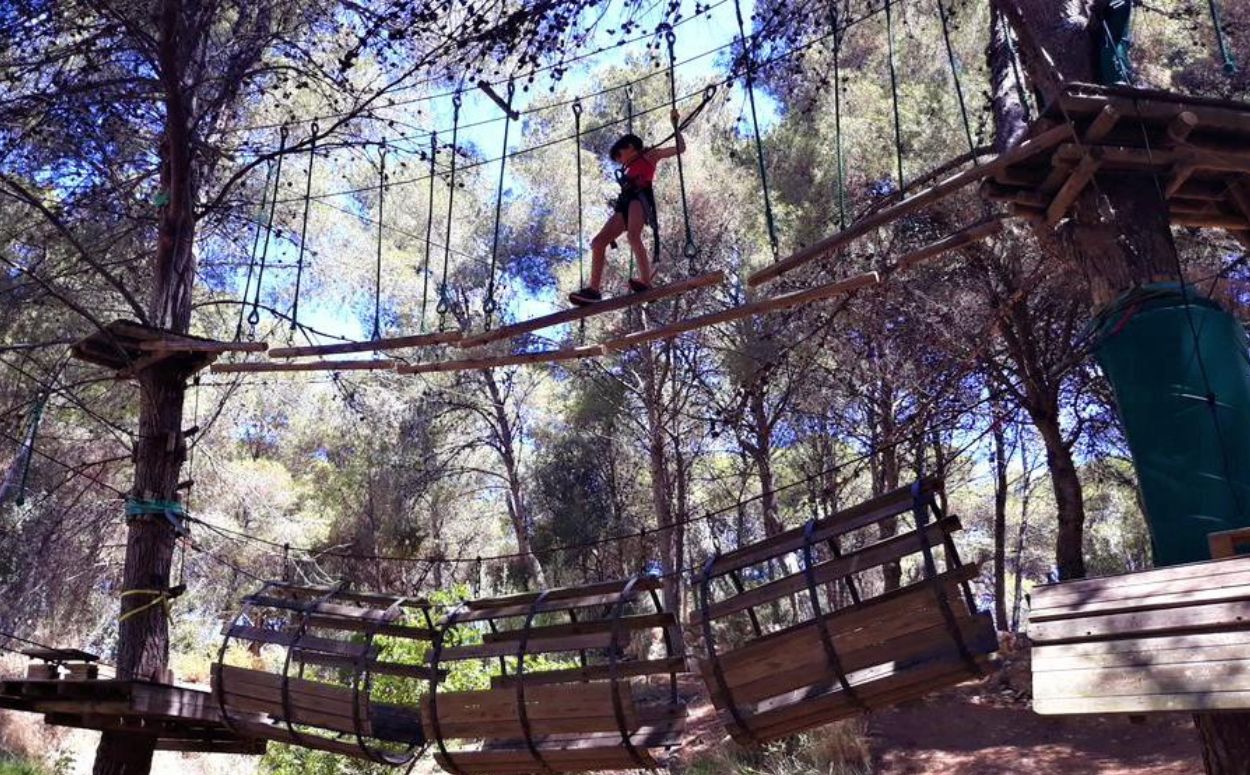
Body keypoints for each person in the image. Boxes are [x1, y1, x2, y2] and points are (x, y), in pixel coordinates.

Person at [568, 109, 686, 306]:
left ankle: (646, 282)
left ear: (630, 146)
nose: (620, 161)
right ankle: (593, 291)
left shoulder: (650, 155)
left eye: (619, 155)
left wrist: (675, 126)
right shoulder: (629, 167)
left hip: (639, 199)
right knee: (598, 243)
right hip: (625, 203)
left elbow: (680, 148)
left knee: (633, 236)